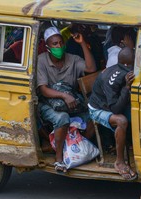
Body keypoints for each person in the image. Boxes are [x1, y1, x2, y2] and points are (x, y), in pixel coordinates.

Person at [37, 26, 96, 173]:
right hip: (48, 104)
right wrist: (64, 95)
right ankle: (59, 159)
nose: (59, 46)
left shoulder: (73, 59)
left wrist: (82, 43)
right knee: (62, 118)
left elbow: (91, 68)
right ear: (47, 47)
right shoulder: (42, 60)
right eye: (54, 44)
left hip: (71, 103)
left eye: (60, 43)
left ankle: (76, 148)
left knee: (94, 116)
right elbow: (43, 90)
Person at [88, 47, 137, 180]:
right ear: (127, 64)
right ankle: (119, 161)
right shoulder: (113, 78)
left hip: (111, 104)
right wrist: (127, 87)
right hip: (98, 109)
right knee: (121, 121)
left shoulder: (125, 70)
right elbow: (115, 109)